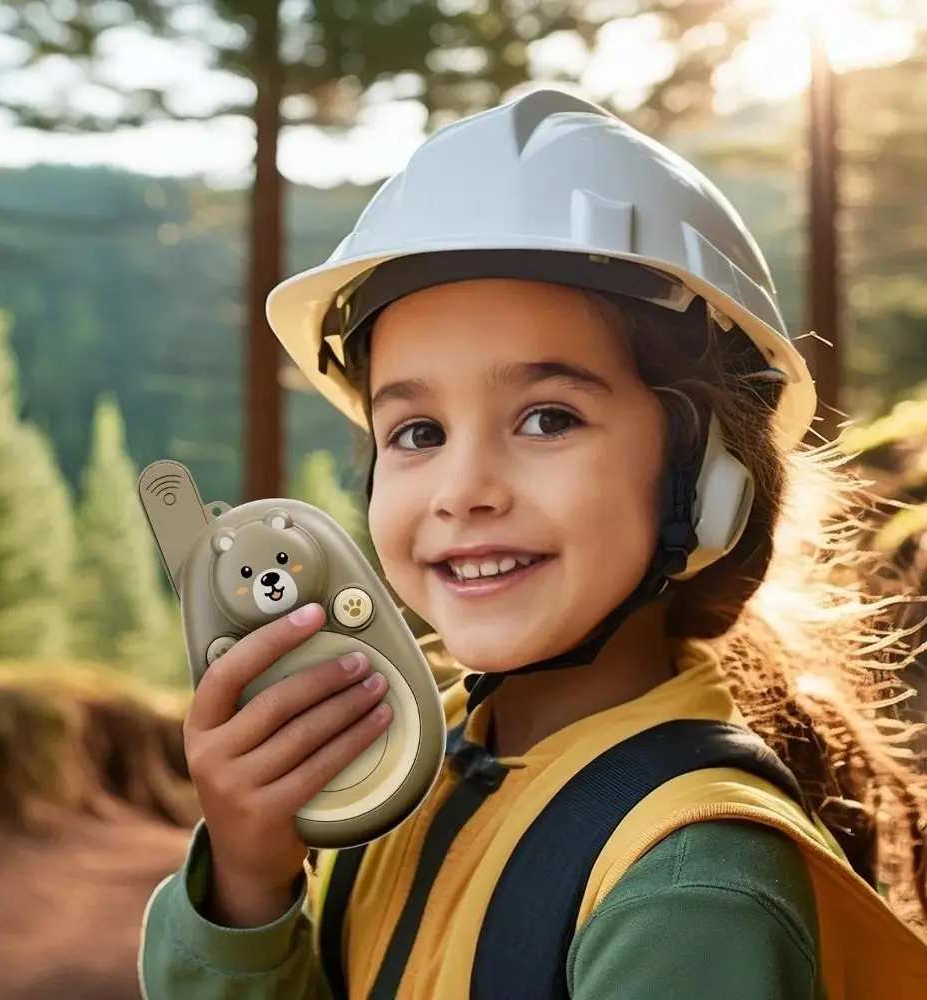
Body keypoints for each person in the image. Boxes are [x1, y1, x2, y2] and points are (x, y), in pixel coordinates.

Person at [138, 89, 927, 999]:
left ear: (707, 479)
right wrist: (248, 883)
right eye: (418, 432)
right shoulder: (409, 765)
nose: (463, 491)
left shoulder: (687, 899)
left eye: (548, 418)